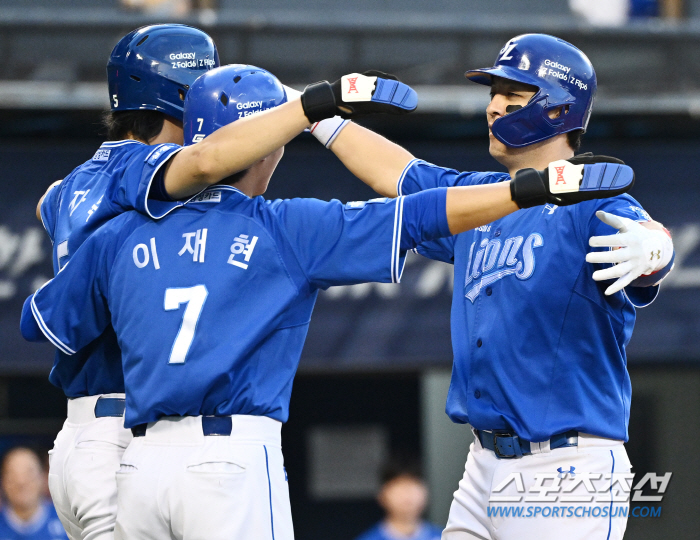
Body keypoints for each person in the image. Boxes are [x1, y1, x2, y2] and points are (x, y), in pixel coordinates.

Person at [20, 63, 631, 540]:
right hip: (228, 459)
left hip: (134, 461)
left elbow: (40, 323)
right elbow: (417, 211)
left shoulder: (120, 232)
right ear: (266, 147)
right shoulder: (288, 227)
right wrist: (528, 191)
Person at [318, 35, 675, 539]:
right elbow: (400, 174)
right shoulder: (484, 199)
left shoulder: (590, 198)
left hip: (564, 465)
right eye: (493, 92)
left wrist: (655, 251)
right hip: (483, 463)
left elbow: (650, 239)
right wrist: (311, 114)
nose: (493, 106)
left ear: (555, 108)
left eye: (512, 93)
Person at [355, 462, 441, 540]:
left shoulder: (445, 537)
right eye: (399, 487)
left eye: (413, 486)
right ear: (382, 496)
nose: (407, 494)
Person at [0, 447, 68, 540]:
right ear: (3, 482)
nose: (21, 481)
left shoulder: (68, 524)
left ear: (43, 478)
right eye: (13, 475)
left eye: (29, 473)